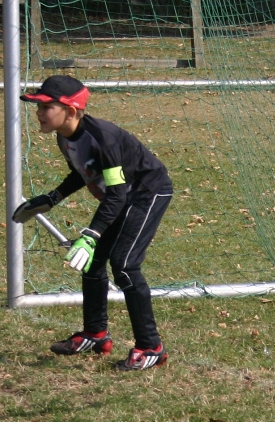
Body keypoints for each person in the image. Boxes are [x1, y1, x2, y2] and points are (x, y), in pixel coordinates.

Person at [12, 75, 173, 371]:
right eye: (38, 106)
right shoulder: (65, 135)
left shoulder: (103, 138)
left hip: (147, 192)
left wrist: (91, 234)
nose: (38, 113)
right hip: (121, 195)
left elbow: (118, 194)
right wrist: (53, 197)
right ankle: (95, 334)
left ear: (70, 111)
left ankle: (152, 347)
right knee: (93, 263)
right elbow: (82, 171)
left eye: (46, 107)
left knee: (124, 264)